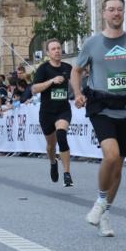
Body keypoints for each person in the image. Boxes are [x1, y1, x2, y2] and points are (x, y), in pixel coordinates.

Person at [71, 0, 126, 238]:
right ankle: (100, 202)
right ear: (104, 14)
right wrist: (77, 92)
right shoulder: (92, 43)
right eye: (111, 9)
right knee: (111, 154)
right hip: (101, 105)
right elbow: (76, 71)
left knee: (118, 168)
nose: (116, 13)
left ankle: (104, 212)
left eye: (119, 10)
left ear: (123, 13)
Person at [32, 39, 74, 187]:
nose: (57, 51)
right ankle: (52, 162)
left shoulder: (68, 67)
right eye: (53, 49)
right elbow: (34, 89)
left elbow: (76, 83)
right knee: (51, 146)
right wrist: (51, 81)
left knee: (62, 135)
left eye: (59, 48)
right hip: (47, 112)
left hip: (63, 110)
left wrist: (80, 94)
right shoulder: (43, 69)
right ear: (48, 53)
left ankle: (67, 173)